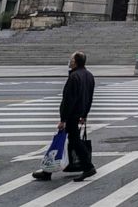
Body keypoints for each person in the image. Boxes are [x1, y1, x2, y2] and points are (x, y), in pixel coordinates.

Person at [33, 51, 96, 182]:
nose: (70, 61)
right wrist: (84, 114)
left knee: (70, 141)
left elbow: (68, 100)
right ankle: (47, 171)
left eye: (71, 59)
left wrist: (63, 119)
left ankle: (88, 167)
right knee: (67, 141)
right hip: (79, 113)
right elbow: (89, 98)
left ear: (75, 61)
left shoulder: (74, 77)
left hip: (72, 115)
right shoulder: (89, 75)